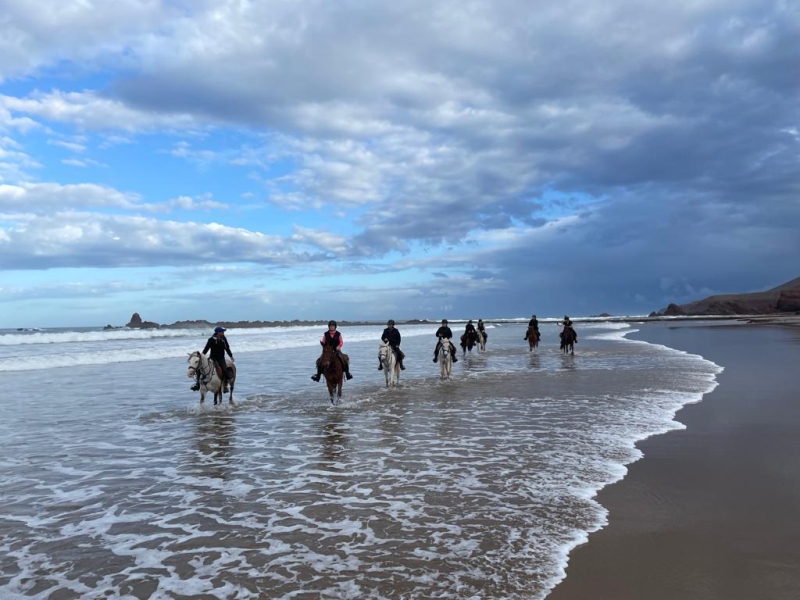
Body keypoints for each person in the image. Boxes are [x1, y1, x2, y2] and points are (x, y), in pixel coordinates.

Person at [192, 326, 234, 391]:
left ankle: (225, 385)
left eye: (223, 331)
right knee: (199, 369)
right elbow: (206, 349)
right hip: (212, 358)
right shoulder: (211, 339)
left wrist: (231, 356)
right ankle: (197, 384)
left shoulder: (223, 338)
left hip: (221, 358)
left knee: (224, 370)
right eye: (222, 332)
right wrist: (201, 356)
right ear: (218, 332)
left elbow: (227, 348)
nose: (223, 333)